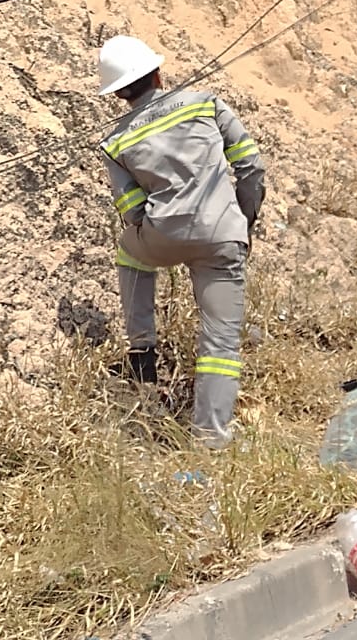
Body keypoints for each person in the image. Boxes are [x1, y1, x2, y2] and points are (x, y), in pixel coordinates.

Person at [97, 34, 265, 447]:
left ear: (118, 94)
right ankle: (210, 440)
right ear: (158, 73)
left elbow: (132, 211)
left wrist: (158, 229)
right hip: (222, 235)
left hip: (162, 237)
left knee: (129, 251)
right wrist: (242, 221)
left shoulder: (114, 142)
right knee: (220, 343)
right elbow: (251, 166)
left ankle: (142, 351)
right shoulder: (206, 104)